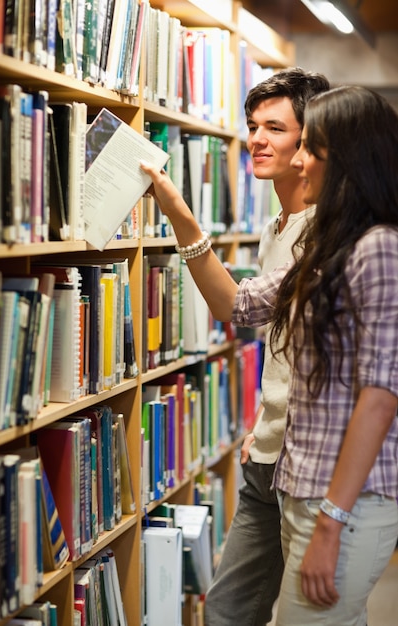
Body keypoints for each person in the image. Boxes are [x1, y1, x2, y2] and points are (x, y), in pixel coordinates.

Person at [140, 84, 398, 625]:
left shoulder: (376, 248)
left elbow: (378, 395)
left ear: (345, 156)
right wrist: (270, 424)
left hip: (332, 490)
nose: (296, 157)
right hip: (287, 469)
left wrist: (331, 519)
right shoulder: (327, 239)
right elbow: (248, 307)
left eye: (306, 143)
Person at [204, 67, 330, 626]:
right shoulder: (275, 226)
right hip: (265, 452)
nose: (256, 139)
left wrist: (183, 221)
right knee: (228, 611)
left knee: (317, 617)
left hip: (309, 465)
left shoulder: (329, 232)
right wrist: (263, 418)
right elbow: (280, 347)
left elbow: (241, 306)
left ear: (311, 139)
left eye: (274, 128)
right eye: (253, 126)